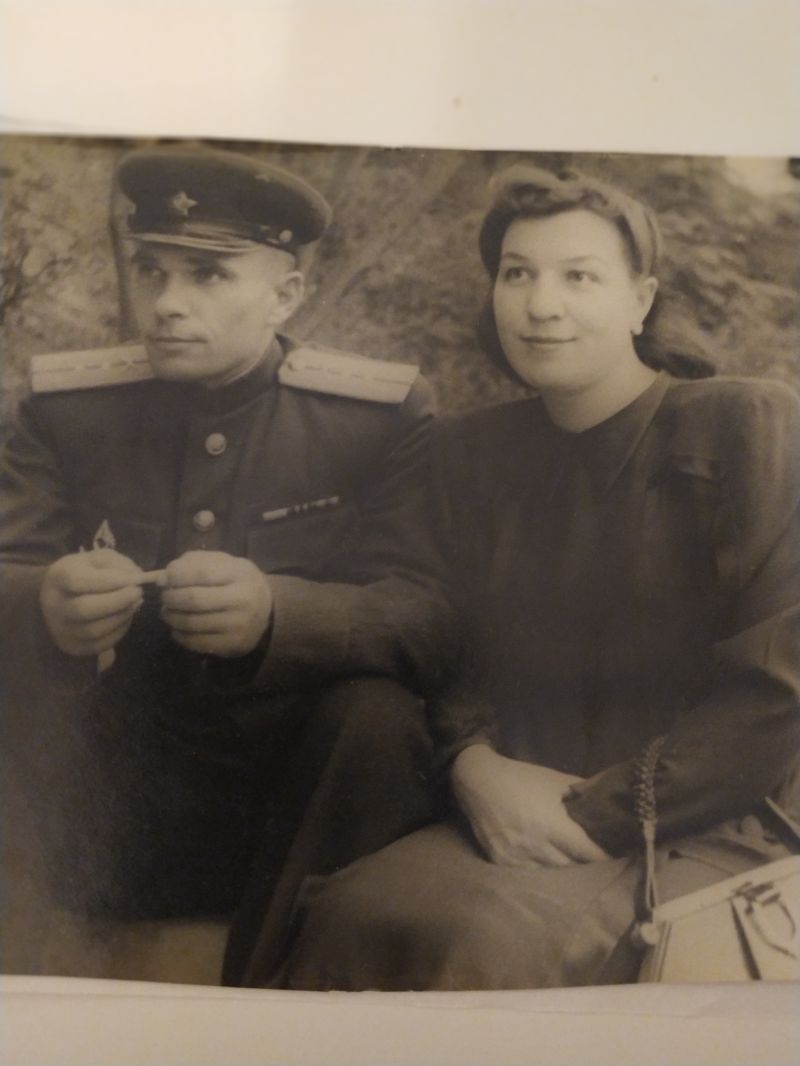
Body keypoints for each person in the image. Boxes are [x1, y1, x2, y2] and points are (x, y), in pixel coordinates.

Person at [275, 165, 800, 990]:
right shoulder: (468, 452)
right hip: (513, 802)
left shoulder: (750, 426)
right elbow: (442, 638)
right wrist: (472, 766)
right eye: (517, 273)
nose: (540, 304)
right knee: (354, 911)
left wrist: (599, 811)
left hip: (709, 815)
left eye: (578, 277)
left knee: (474, 942)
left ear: (641, 300)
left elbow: (775, 693)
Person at [0, 145, 455, 986]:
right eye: (151, 269)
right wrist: (41, 602)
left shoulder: (376, 418)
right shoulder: (66, 409)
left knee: (377, 717)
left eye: (208, 275)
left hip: (280, 791)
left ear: (286, 294)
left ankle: (277, 998)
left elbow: (425, 611)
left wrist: (281, 614)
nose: (166, 303)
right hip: (111, 781)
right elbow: (11, 563)